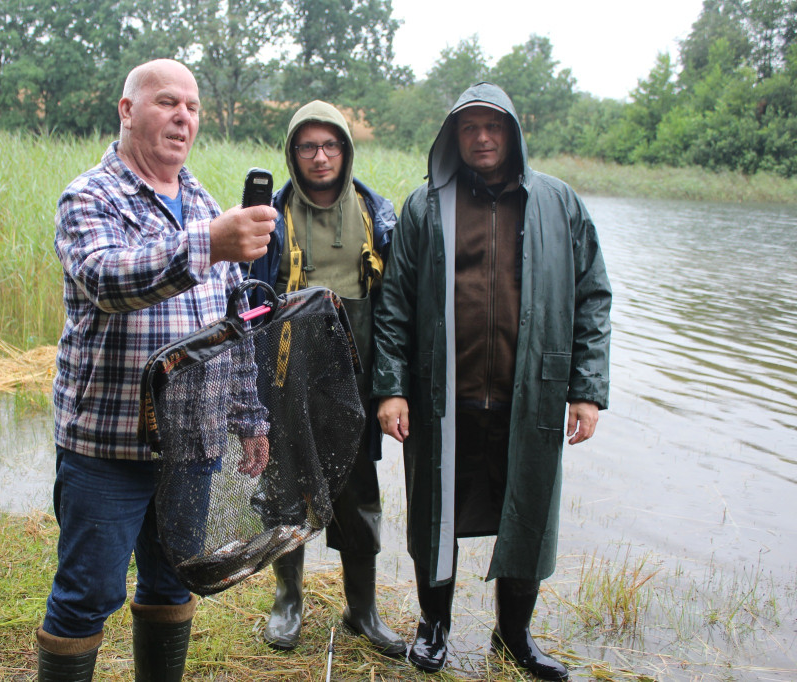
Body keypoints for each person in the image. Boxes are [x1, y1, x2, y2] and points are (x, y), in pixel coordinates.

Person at [36, 59, 277, 682]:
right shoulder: (90, 195)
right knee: (88, 594)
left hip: (190, 447)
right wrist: (209, 244)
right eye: (168, 101)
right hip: (107, 446)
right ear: (127, 110)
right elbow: (106, 279)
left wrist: (250, 417)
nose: (183, 116)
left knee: (173, 583)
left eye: (193, 107)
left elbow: (235, 325)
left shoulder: (200, 200)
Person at [373, 82, 612, 679]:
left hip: (529, 395)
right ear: (453, 136)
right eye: (469, 127)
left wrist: (585, 389)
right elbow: (395, 305)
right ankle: (434, 628)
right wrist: (392, 387)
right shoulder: (427, 206)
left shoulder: (559, 204)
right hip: (440, 400)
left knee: (527, 512)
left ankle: (515, 637)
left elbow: (593, 297)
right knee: (436, 514)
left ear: (513, 132)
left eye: (493, 126)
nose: (482, 138)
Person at [248, 100, 406, 657]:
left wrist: (392, 388)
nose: (320, 156)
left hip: (358, 384)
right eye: (308, 147)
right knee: (285, 492)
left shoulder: (378, 215)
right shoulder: (270, 215)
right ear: (293, 155)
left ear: (346, 150)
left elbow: (393, 314)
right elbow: (249, 309)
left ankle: (361, 609)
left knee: (359, 494)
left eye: (331, 145)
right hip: (290, 374)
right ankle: (288, 601)